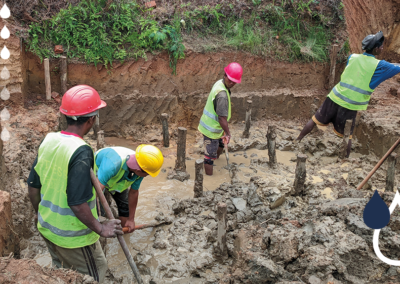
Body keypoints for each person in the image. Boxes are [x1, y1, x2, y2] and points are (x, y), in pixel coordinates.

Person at [27, 85, 123, 283]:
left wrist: (41, 213)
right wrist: (100, 228)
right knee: (95, 272)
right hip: (72, 237)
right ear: (91, 119)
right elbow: (77, 203)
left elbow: (33, 186)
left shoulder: (49, 140)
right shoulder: (81, 151)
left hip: (47, 227)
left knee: (62, 273)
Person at [296, 31, 400, 157]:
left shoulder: (352, 57)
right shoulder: (380, 65)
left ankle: (297, 141)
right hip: (350, 104)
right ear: (376, 49)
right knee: (348, 135)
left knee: (314, 120)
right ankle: (344, 161)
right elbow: (396, 67)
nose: (383, 48)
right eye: (381, 46)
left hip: (334, 96)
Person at [94, 145, 164, 233]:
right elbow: (96, 192)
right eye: (148, 174)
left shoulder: (142, 166)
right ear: (139, 170)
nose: (147, 176)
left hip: (118, 182)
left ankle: (124, 230)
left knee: (124, 206)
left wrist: (131, 220)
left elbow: (134, 192)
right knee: (99, 211)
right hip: (98, 177)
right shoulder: (113, 164)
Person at [198, 62, 243, 175]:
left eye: (234, 81)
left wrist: (224, 131)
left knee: (221, 144)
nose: (232, 83)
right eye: (230, 79)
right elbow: (222, 118)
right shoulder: (222, 95)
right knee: (209, 156)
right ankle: (209, 177)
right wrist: (228, 133)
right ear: (225, 75)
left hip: (216, 127)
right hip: (211, 130)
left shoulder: (220, 83)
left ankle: (216, 158)